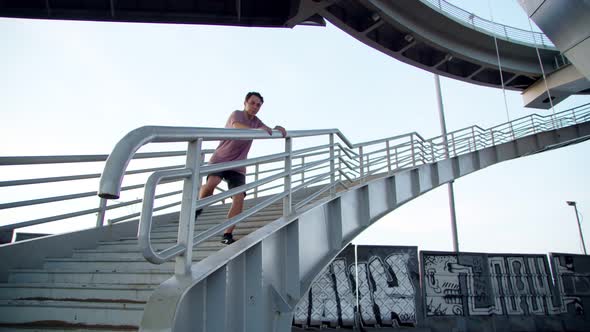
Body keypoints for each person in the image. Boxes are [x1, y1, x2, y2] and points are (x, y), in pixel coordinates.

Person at [197, 92, 287, 245]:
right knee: (213, 183)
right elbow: (237, 126)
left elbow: (267, 130)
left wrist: (277, 129)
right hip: (221, 159)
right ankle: (197, 207)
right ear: (245, 102)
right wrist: (258, 130)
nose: (255, 107)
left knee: (239, 197)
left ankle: (227, 234)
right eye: (252, 103)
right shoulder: (237, 114)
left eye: (258, 105)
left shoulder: (256, 121)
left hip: (238, 165)